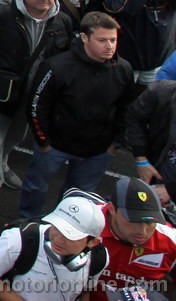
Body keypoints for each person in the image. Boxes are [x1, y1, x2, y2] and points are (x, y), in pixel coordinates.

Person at [0, 0, 75, 214]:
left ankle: (2, 165)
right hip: (2, 92)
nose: (46, 0)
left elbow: (64, 58)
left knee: (17, 135)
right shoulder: (0, 15)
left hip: (36, 95)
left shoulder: (61, 22)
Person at [21, 12, 141, 218]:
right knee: (35, 187)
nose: (109, 46)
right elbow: (36, 106)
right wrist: (43, 142)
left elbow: (127, 109)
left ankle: (67, 227)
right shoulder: (56, 66)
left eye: (113, 40)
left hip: (97, 150)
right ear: (85, 38)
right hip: (55, 146)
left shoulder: (124, 69)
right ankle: (27, 223)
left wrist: (115, 143)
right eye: (102, 40)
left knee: (78, 198)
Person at [0, 192, 108, 300]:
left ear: (93, 242)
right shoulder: (17, 240)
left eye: (69, 236)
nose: (58, 239)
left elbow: (84, 293)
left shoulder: (99, 259)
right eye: (56, 228)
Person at [91, 177, 176, 299]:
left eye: (150, 222)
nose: (142, 231)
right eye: (134, 221)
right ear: (112, 209)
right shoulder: (81, 224)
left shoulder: (171, 242)